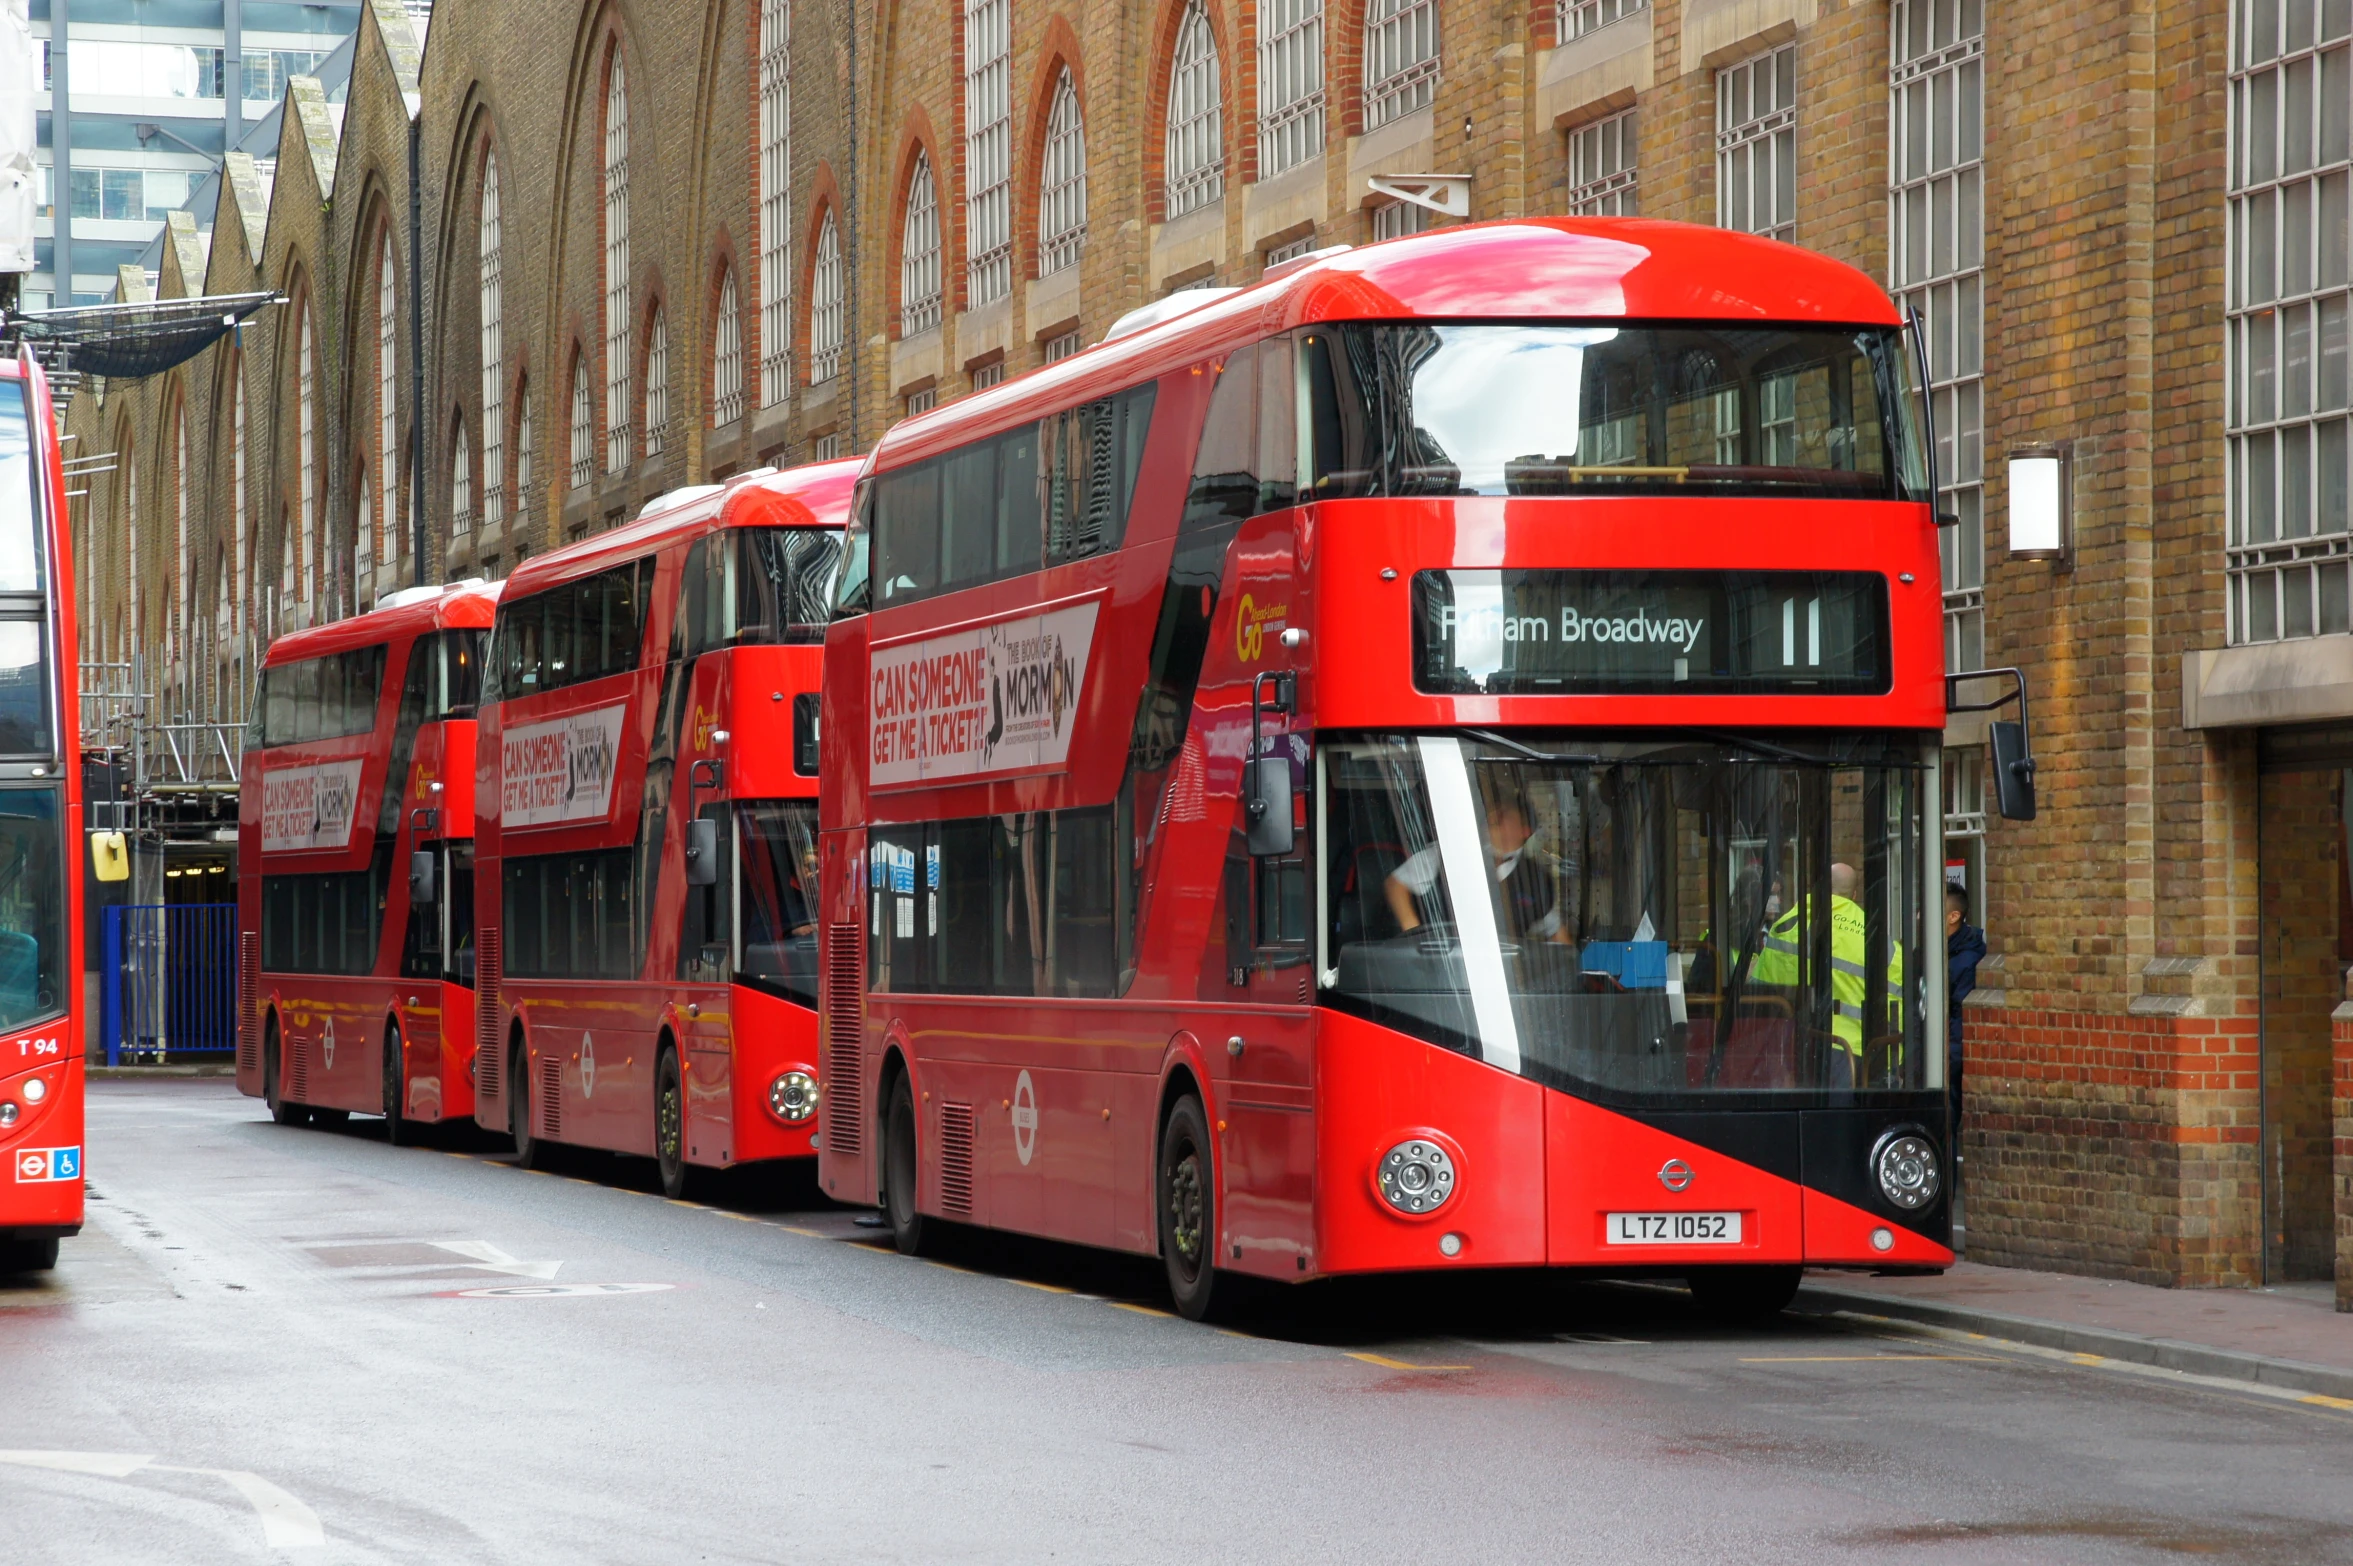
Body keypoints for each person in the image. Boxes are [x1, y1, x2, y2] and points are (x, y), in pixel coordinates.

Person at [1749, 861, 1904, 1087]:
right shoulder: (1879, 935)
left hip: (1815, 1047)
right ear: (1854, 894)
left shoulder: (1791, 925)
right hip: (1874, 1053)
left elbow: (1761, 994)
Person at [1385, 797, 1567, 942]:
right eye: (1491, 813)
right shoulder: (1448, 853)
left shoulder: (1537, 880)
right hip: (1440, 968)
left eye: (1501, 816)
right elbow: (1395, 885)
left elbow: (1556, 932)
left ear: (1524, 831)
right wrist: (1416, 937)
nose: (1491, 819)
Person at [1945, 884, 1984, 1121]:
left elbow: (1959, 1018)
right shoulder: (1931, 951)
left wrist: (1949, 1061)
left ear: (1954, 916)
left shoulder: (1967, 961)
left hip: (1948, 1061)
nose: (1920, 914)